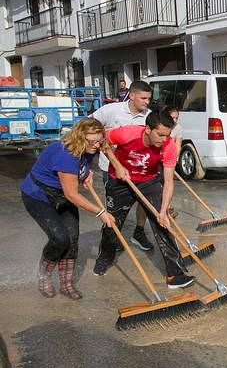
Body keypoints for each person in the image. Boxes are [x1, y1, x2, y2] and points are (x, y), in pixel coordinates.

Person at [20, 118, 124, 299]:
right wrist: (101, 212)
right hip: (39, 196)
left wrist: (89, 170)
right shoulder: (66, 155)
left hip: (62, 194)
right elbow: (72, 195)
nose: (98, 145)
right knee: (60, 239)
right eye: (93, 142)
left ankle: (66, 285)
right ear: (79, 137)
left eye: (99, 140)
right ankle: (44, 277)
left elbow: (104, 147)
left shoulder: (93, 144)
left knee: (72, 239)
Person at [92, 108, 195, 289]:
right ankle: (104, 258)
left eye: (167, 135)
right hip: (119, 182)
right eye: (160, 135)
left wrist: (163, 211)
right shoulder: (127, 133)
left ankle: (175, 274)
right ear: (148, 129)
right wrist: (116, 165)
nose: (164, 140)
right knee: (113, 222)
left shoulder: (169, 146)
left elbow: (169, 182)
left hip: (148, 182)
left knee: (163, 223)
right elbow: (103, 142)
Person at [91, 80, 153, 251]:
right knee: (116, 207)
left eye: (149, 98)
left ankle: (139, 232)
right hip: (112, 168)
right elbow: (88, 126)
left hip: (140, 168)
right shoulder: (111, 110)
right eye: (143, 98)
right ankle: (114, 238)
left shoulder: (150, 116)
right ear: (132, 96)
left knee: (144, 201)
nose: (147, 102)